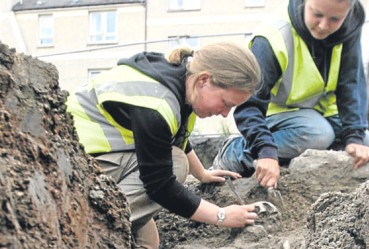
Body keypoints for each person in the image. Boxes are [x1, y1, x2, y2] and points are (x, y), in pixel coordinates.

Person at [66, 41, 260, 249]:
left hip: (103, 157)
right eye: (226, 103)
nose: (224, 113)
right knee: (176, 164)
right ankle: (83, 229)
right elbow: (160, 185)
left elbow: (174, 139)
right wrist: (221, 215)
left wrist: (202, 173)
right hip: (74, 167)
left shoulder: (183, 81)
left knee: (147, 241)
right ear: (204, 80)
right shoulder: (156, 104)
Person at [213, 0, 369, 190]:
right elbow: (248, 105)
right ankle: (237, 153)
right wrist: (265, 151)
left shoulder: (349, 26)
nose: (324, 25)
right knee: (318, 134)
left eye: (334, 19)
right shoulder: (273, 37)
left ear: (347, 12)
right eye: (317, 14)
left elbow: (351, 83)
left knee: (363, 140)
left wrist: (355, 136)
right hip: (277, 114)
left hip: (319, 112)